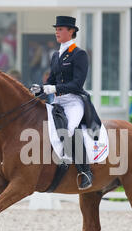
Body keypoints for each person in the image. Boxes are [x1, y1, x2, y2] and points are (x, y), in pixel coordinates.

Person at [30, 16, 101, 190]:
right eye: (56, 29)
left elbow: (77, 84)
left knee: (68, 130)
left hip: (74, 101)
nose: (57, 31)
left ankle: (86, 172)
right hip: (58, 102)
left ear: (71, 31)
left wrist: (52, 89)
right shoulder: (56, 55)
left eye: (61, 29)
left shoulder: (79, 54)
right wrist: (41, 89)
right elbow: (52, 80)